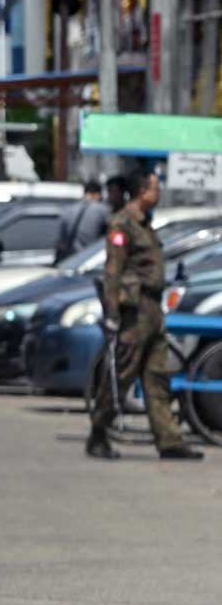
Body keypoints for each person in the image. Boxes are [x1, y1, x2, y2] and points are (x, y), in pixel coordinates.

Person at [87, 169, 203, 461]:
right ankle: (98, 432)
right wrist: (112, 313)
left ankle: (169, 440)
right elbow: (113, 271)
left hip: (152, 309)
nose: (159, 192)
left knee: (157, 377)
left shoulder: (146, 225)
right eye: (155, 187)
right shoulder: (123, 224)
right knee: (122, 374)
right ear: (142, 191)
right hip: (134, 313)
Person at [54, 179, 111, 263]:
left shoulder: (68, 210)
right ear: (98, 194)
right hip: (91, 261)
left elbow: (60, 240)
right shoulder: (102, 210)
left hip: (69, 260)